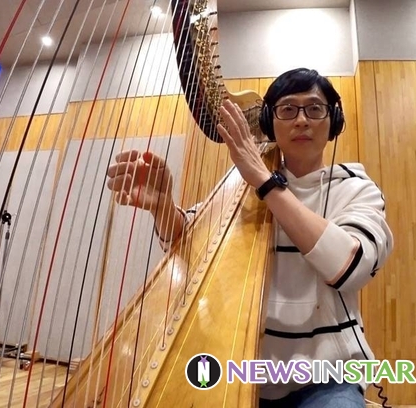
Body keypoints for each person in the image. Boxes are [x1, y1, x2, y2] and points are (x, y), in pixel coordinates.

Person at [106, 68, 394, 407]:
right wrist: (163, 207)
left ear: (334, 121)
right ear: (270, 121)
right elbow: (190, 244)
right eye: (288, 109)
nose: (302, 120)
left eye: (315, 108)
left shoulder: (356, 189)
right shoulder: (246, 188)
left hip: (327, 377)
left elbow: (350, 266)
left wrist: (264, 180)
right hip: (246, 370)